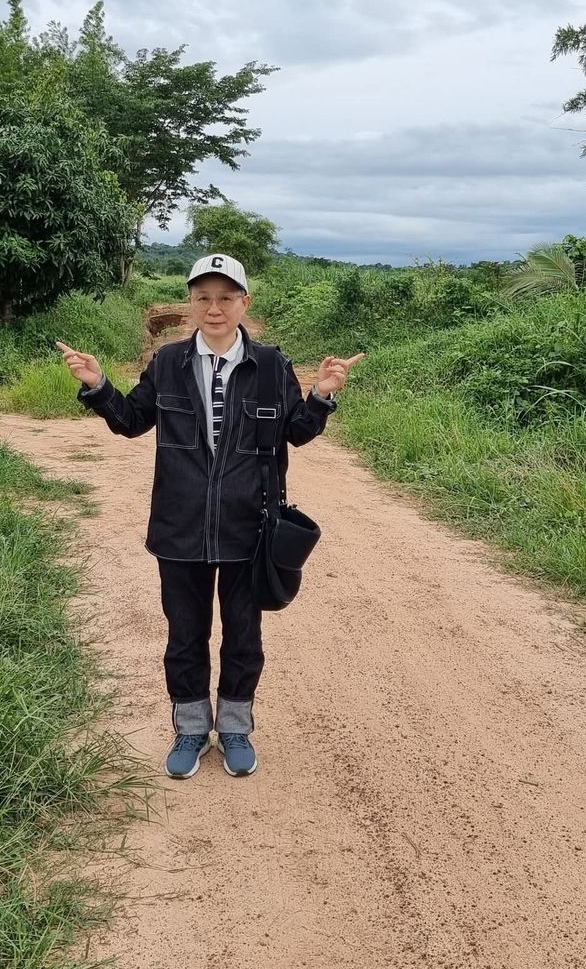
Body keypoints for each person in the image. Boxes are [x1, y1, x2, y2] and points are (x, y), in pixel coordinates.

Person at [56, 253, 363, 779]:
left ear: (244, 303)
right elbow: (131, 421)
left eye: (225, 298)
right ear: (190, 303)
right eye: (203, 298)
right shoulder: (168, 363)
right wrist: (99, 384)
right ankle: (192, 729)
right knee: (184, 635)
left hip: (250, 527)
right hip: (180, 525)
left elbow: (297, 431)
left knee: (243, 635)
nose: (214, 308)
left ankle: (236, 728)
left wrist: (320, 396)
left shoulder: (270, 366)